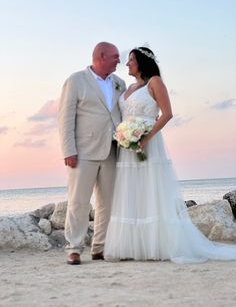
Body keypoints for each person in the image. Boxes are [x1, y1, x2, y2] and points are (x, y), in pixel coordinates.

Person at [104, 46, 236, 264]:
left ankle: (155, 245)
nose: (127, 64)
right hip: (128, 146)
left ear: (142, 63)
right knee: (132, 191)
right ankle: (133, 246)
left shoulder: (154, 82)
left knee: (150, 189)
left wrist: (146, 137)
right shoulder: (128, 87)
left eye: (131, 60)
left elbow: (167, 113)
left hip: (148, 141)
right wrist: (125, 135)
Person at [58, 42, 126, 265]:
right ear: (101, 56)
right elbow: (65, 118)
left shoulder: (119, 83)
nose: (119, 60)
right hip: (83, 152)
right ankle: (74, 248)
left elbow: (122, 113)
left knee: (108, 202)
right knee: (78, 202)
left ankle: (100, 247)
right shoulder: (76, 80)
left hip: (112, 150)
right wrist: (69, 150)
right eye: (115, 56)